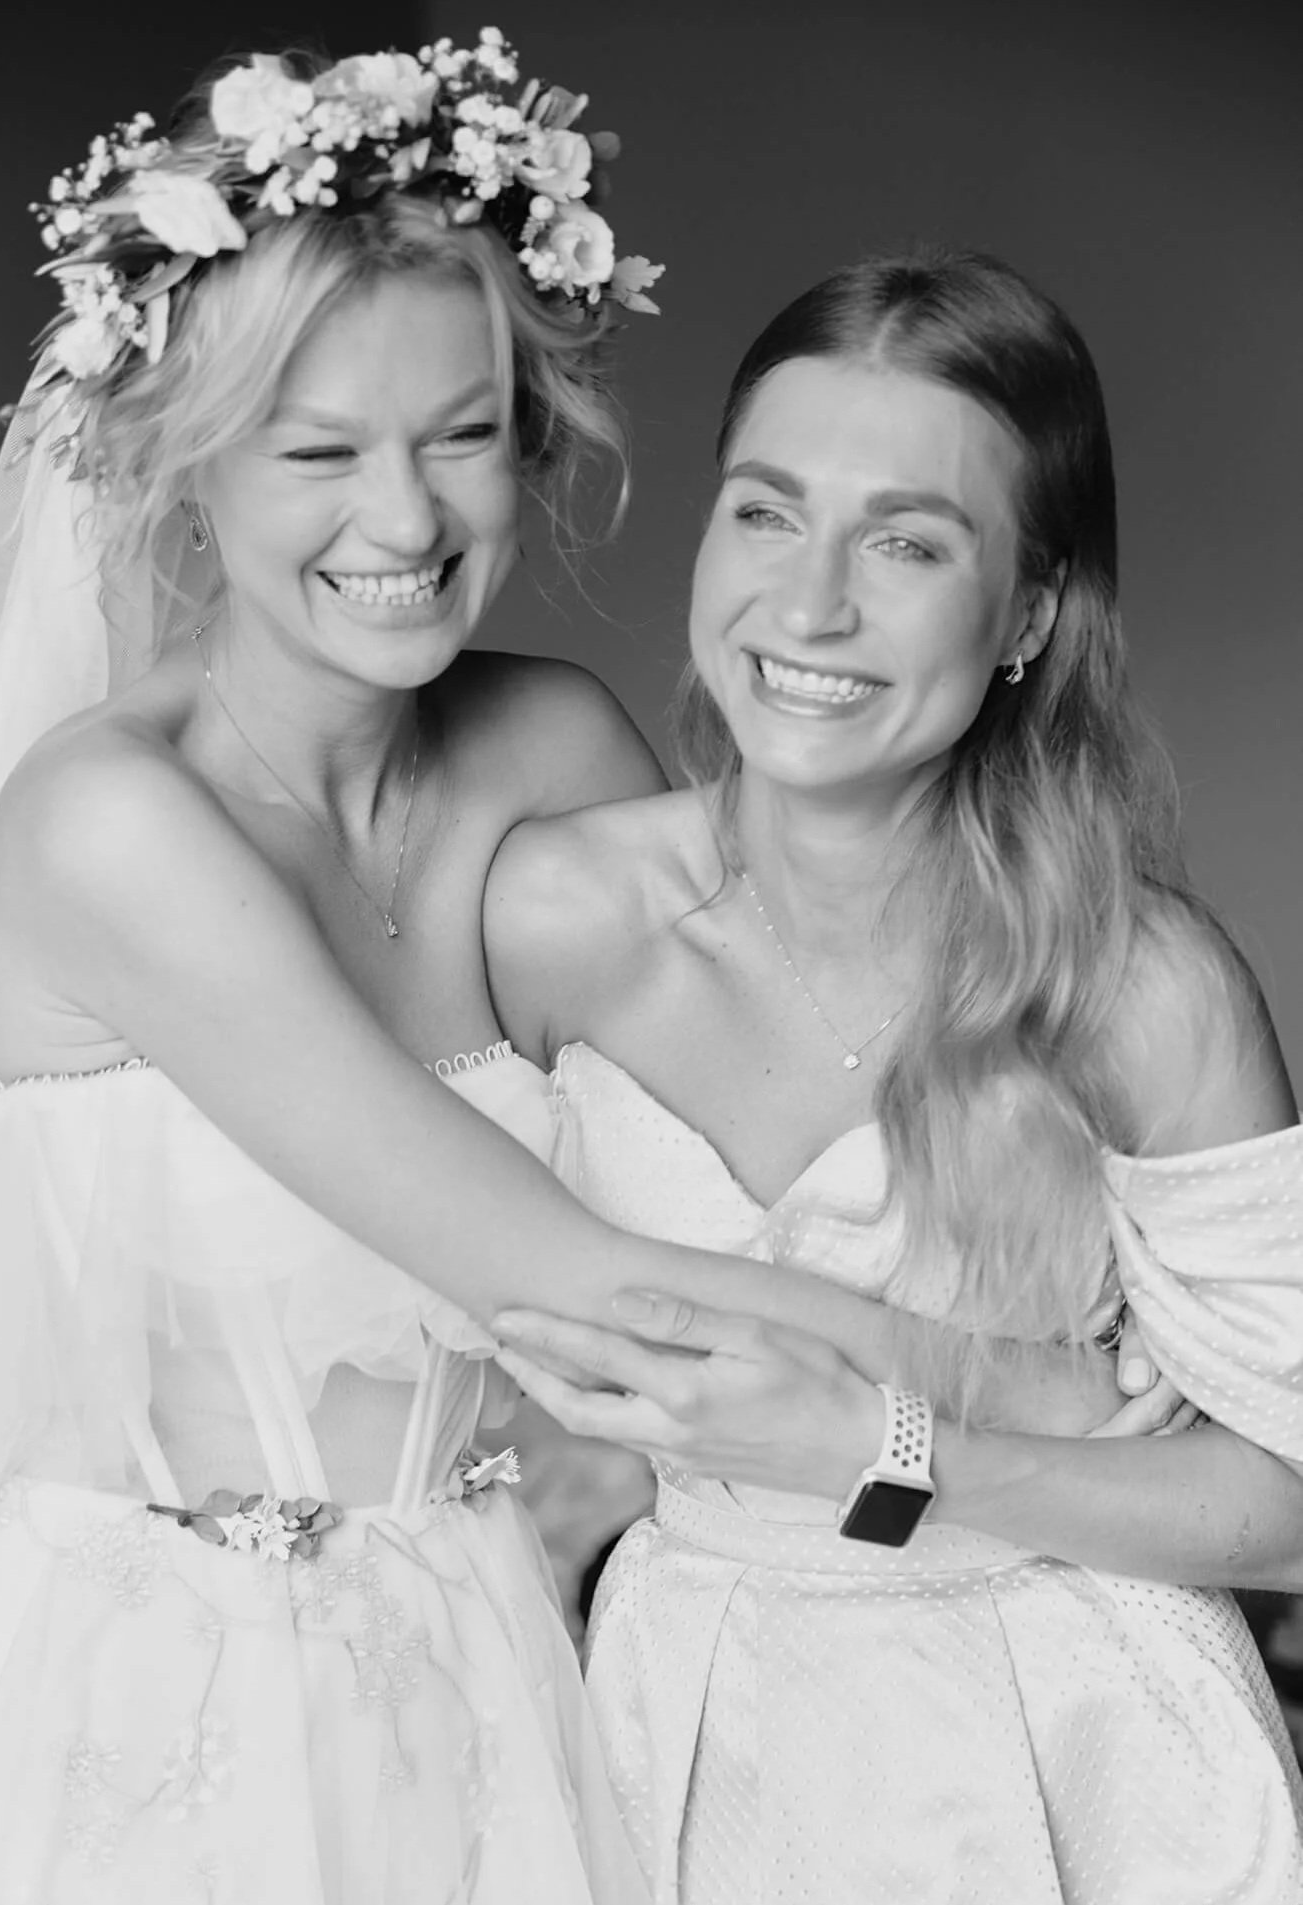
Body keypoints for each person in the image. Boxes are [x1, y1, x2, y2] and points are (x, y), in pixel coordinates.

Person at [0, 37, 1195, 1900]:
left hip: (482, 1663)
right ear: (182, 466)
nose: (405, 521)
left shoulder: (556, 752)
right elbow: (566, 1278)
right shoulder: (111, 826)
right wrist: (1026, 1390)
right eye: (318, 451)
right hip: (136, 1700)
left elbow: (794, 1087)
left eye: (460, 434)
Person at [483, 253, 1303, 1902]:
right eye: (765, 513)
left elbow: (1286, 1503)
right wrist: (1019, 1381)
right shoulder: (551, 914)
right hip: (679, 1717)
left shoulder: (1140, 988)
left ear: (1028, 615)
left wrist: (889, 1442)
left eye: (907, 543)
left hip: (1081, 1747)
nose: (808, 607)